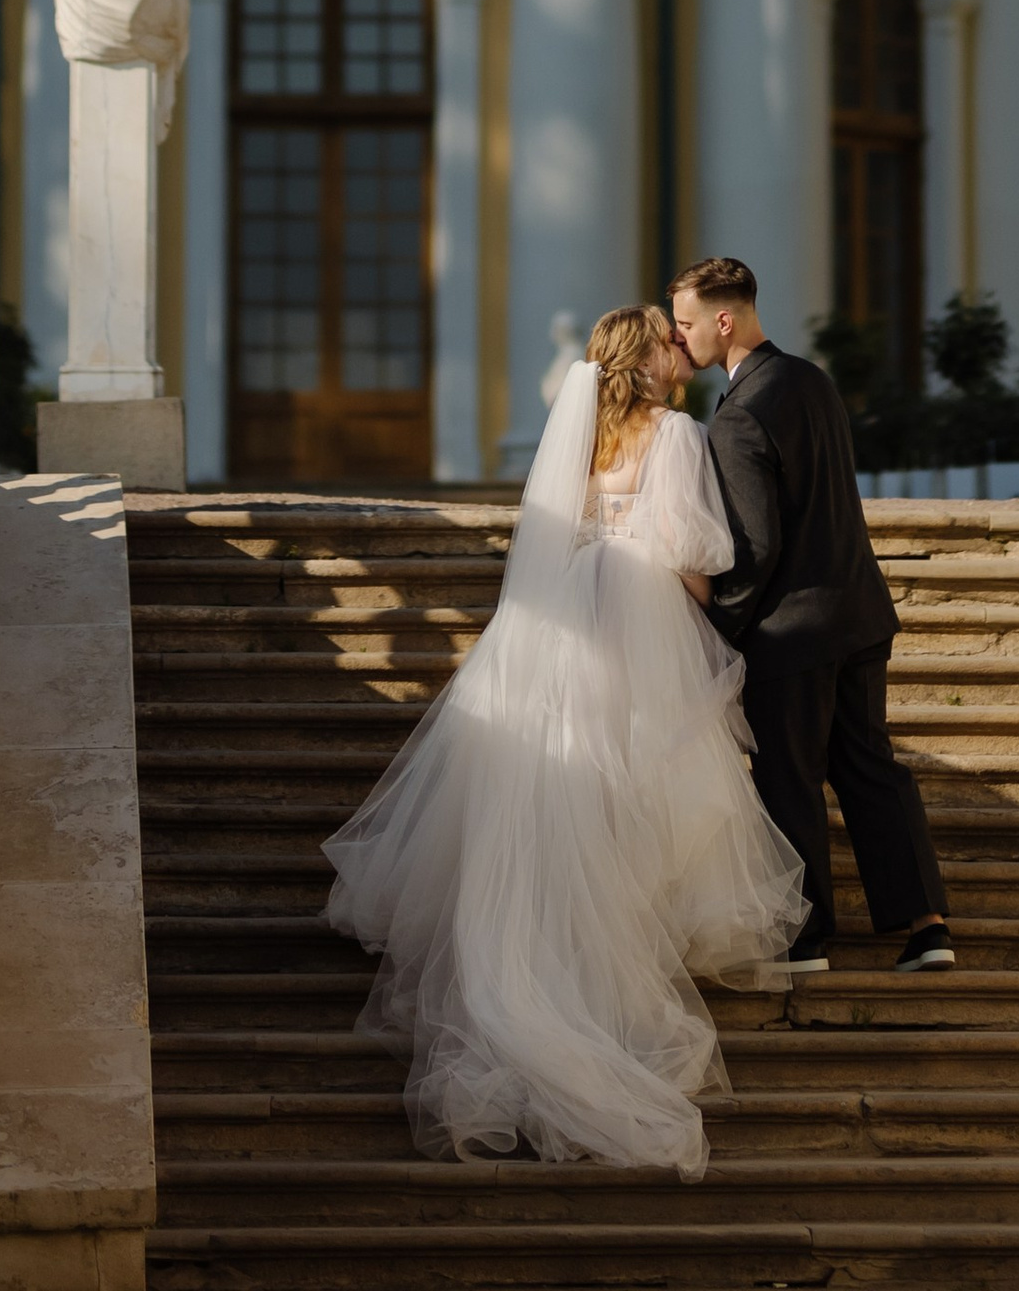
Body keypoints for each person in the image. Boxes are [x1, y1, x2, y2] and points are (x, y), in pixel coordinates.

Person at [321, 305, 806, 1175]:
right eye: (668, 336)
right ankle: (618, 951)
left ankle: (554, 950)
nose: (678, 347)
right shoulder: (677, 432)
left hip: (564, 612)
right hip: (639, 610)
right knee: (644, 771)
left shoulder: (578, 434)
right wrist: (715, 617)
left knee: (565, 773)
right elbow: (694, 547)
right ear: (651, 355)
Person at [671, 255, 954, 976]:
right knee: (871, 769)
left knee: (788, 780)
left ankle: (805, 939)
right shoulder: (809, 379)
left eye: (687, 321)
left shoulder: (737, 417)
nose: (682, 337)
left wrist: (717, 627)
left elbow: (755, 545)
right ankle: (928, 927)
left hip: (790, 634)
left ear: (724, 319)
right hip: (858, 613)